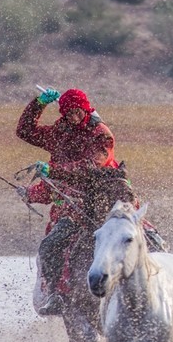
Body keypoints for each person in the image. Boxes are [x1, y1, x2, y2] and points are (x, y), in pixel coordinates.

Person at [15, 87, 136, 316]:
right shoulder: (60, 132)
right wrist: (38, 104)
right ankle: (54, 294)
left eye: (76, 112)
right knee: (50, 246)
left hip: (103, 198)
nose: (73, 117)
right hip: (71, 206)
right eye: (67, 113)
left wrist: (53, 170)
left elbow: (90, 168)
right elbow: (25, 131)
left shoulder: (101, 135)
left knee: (141, 233)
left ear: (85, 108)